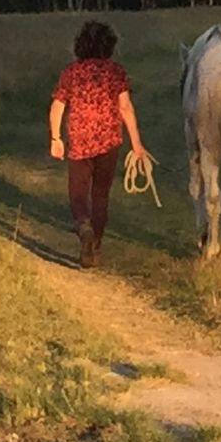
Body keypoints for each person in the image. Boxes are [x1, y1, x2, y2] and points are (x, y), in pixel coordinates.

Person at [46, 20, 145, 268]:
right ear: (108, 46)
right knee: (100, 195)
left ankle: (83, 226)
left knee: (77, 192)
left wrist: (56, 138)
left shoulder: (71, 72)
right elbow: (125, 108)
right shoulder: (115, 72)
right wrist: (137, 144)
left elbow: (58, 106)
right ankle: (96, 245)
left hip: (79, 141)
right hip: (109, 141)